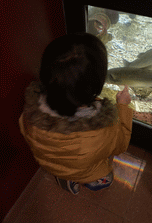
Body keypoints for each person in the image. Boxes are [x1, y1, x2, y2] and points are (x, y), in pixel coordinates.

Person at [19, 33, 133, 195]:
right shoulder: (103, 129)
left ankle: (66, 179)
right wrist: (122, 107)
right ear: (96, 84)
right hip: (85, 170)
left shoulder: (30, 114)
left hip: (55, 166)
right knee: (104, 174)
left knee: (64, 166)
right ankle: (92, 181)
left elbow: (25, 132)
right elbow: (120, 145)